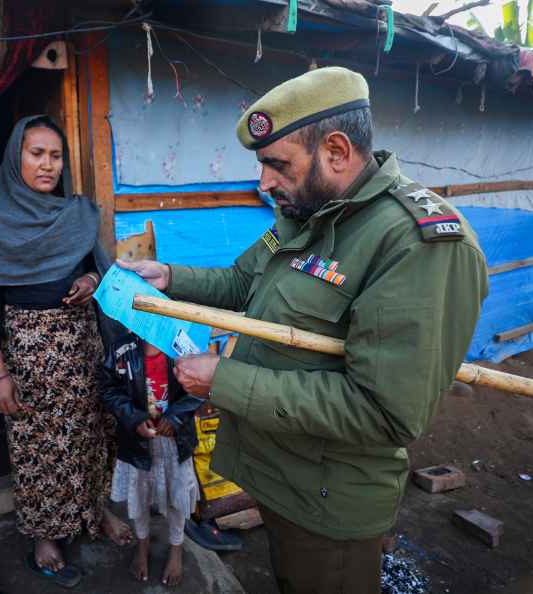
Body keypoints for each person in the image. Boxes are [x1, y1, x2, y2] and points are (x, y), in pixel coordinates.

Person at [119, 67, 488, 594]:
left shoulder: (415, 245)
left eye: (276, 164)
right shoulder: (308, 215)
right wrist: (171, 278)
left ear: (336, 151)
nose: (264, 182)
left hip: (328, 499)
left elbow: (383, 411)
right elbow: (245, 280)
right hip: (281, 475)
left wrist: (224, 381)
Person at [0, 115, 132, 589]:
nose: (48, 164)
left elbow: (100, 269)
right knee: (36, 445)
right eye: (37, 153)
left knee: (94, 432)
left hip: (81, 342)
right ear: (17, 157)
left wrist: (90, 280)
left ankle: (97, 513)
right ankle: (45, 536)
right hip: (29, 348)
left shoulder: (73, 213)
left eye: (56, 156)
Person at [100, 332, 202, 587]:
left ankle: (176, 548)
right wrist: (134, 419)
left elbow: (201, 387)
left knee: (178, 499)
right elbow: (108, 388)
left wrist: (176, 417)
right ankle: (142, 545)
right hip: (138, 442)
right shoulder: (121, 349)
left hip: (174, 442)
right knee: (140, 497)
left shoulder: (182, 347)